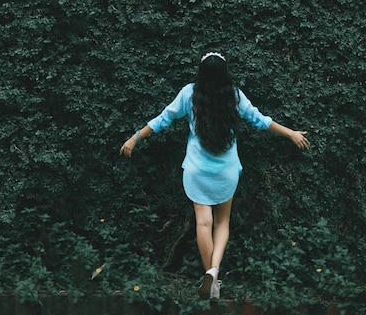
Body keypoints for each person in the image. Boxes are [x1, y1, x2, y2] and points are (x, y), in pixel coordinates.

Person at [120, 52, 310, 300]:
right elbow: (260, 120)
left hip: (197, 170)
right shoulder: (234, 95)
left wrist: (134, 138)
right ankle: (214, 272)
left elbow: (163, 119)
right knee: (222, 223)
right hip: (226, 171)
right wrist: (291, 133)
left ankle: (211, 277)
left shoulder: (189, 93)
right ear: (225, 74)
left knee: (203, 223)